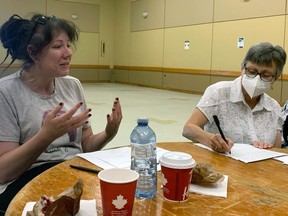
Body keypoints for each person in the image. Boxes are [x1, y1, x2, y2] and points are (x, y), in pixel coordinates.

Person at [0, 14, 122, 214]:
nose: (68, 53)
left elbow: (86, 144)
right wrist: (46, 135)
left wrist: (109, 132)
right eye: (58, 46)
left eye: (68, 45)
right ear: (33, 52)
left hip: (74, 168)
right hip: (29, 177)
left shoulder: (72, 85)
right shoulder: (6, 92)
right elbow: (4, 172)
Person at [182, 42, 286, 153]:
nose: (256, 79)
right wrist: (210, 139)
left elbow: (277, 150)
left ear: (275, 78)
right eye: (251, 71)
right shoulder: (219, 92)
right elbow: (189, 128)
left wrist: (266, 148)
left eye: (266, 75)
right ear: (242, 68)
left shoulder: (274, 107)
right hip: (220, 165)